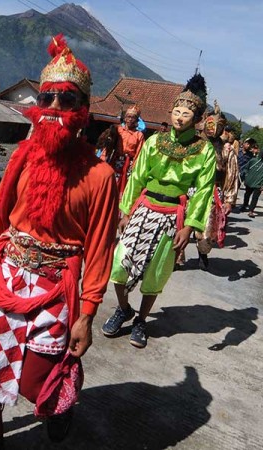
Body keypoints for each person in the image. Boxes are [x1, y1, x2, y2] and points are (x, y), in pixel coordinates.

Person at [0, 34, 119, 450]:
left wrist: (88, 314)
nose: (55, 110)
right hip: (3, 273)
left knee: (36, 378)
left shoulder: (100, 177)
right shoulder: (21, 156)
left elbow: (100, 248)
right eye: (47, 100)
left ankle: (62, 402)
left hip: (56, 288)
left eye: (66, 101)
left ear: (83, 111)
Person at [100, 73, 216, 349]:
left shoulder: (204, 151)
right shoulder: (154, 142)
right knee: (119, 264)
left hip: (172, 214)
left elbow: (203, 191)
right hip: (143, 208)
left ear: (196, 118)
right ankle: (123, 308)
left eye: (186, 113)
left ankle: (141, 319)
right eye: (176, 111)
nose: (179, 116)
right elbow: (137, 176)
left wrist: (190, 225)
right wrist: (125, 211)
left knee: (156, 271)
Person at [191, 101, 239, 270]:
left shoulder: (227, 149)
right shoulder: (195, 143)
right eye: (210, 124)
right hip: (190, 190)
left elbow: (232, 175)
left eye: (217, 126)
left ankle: (202, 254)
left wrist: (229, 199)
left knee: (207, 228)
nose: (212, 129)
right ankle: (176, 257)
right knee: (179, 226)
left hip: (213, 192)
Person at [104, 106, 146, 195]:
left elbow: (140, 153)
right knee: (112, 181)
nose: (130, 119)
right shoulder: (118, 130)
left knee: (125, 185)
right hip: (116, 160)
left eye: (133, 117)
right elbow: (109, 145)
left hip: (129, 163)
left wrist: (135, 168)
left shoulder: (139, 135)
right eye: (128, 117)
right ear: (125, 118)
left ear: (136, 120)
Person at [240, 146, 263, 217]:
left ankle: (251, 211)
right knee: (247, 195)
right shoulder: (253, 160)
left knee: (255, 198)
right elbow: (246, 168)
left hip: (259, 184)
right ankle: (244, 205)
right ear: (262, 153)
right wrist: (246, 176)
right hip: (249, 182)